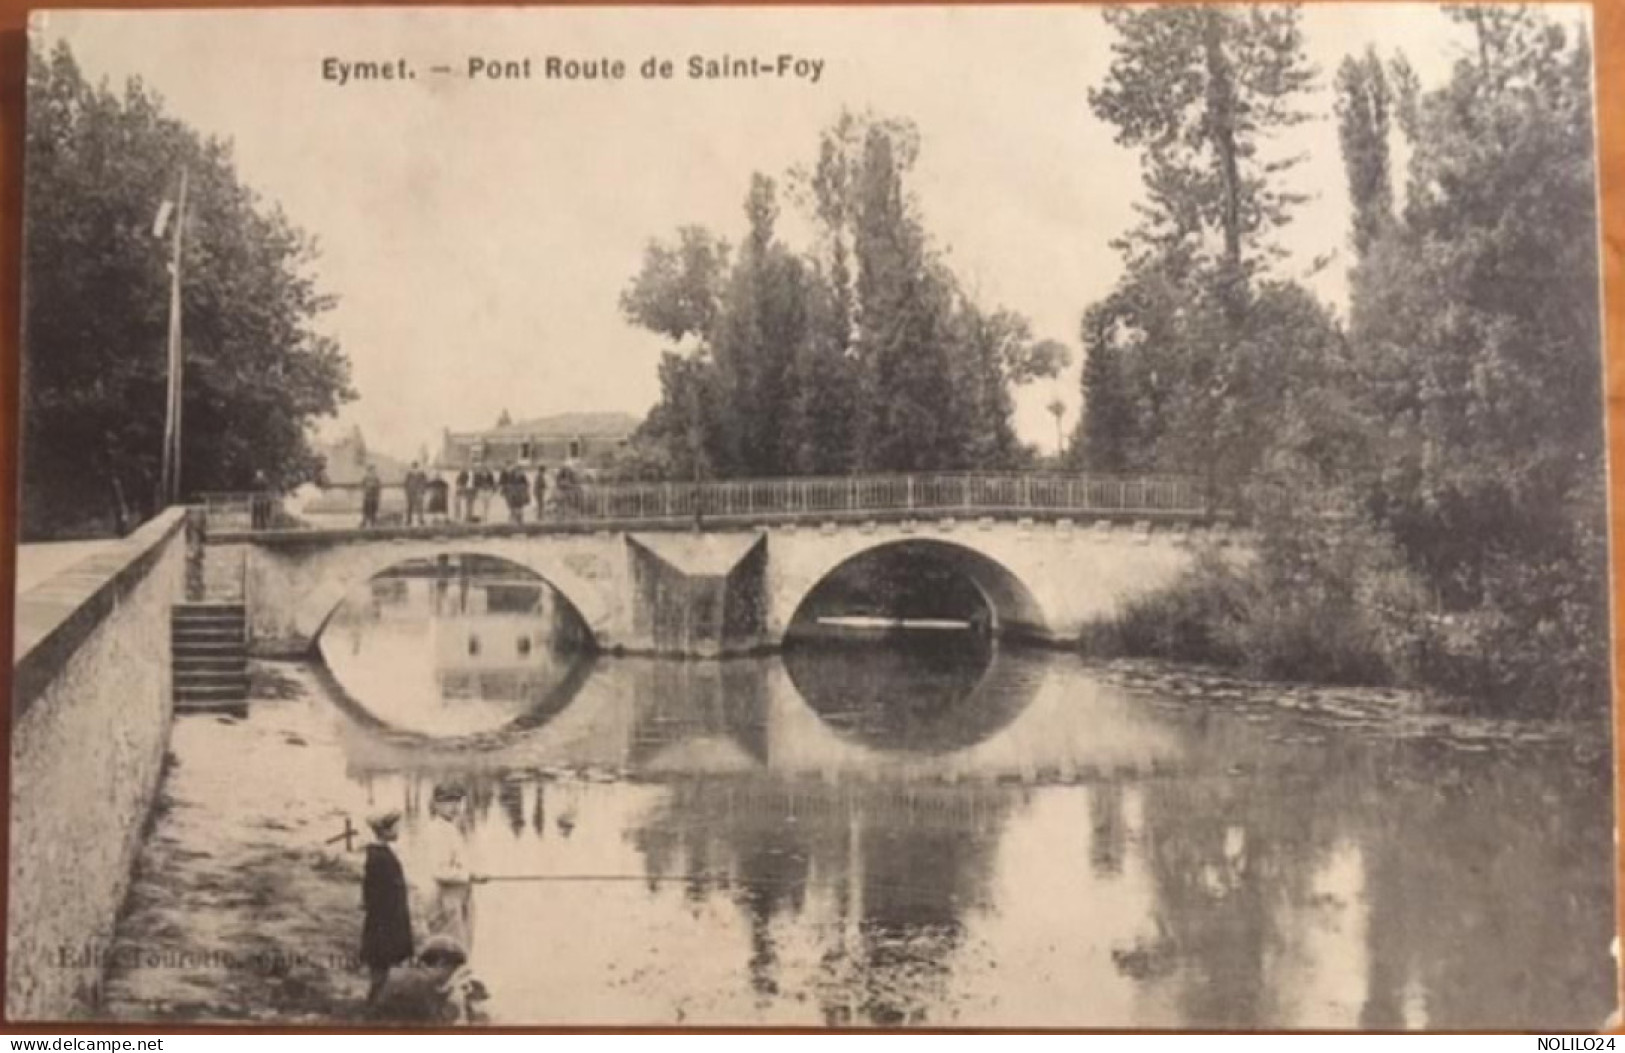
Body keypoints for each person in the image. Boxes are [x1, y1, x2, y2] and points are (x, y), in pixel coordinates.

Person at [367, 935, 489, 1024]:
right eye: (451, 970)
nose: (450, 976)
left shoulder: (401, 975)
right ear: (441, 963)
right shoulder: (424, 985)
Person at [360, 810, 413, 1005]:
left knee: (384, 961)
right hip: (385, 920)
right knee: (382, 961)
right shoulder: (379, 857)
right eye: (396, 826)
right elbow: (374, 892)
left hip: (387, 917)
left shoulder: (381, 853)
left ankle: (379, 998)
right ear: (385, 831)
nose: (400, 830)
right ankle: (375, 1002)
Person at [423, 783, 474, 952]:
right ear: (436, 805)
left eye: (457, 802)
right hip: (445, 898)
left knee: (462, 946)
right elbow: (440, 872)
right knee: (451, 950)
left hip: (458, 896)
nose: (454, 807)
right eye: (447, 802)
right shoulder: (436, 830)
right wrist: (469, 876)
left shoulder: (449, 828)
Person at [404, 462, 427, 528]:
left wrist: (422, 491)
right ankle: (409, 520)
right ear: (412, 467)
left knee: (419, 506)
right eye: (414, 467)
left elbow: (424, 482)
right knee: (409, 506)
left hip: (418, 492)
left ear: (418, 467)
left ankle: (421, 520)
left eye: (416, 467)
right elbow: (406, 484)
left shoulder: (421, 474)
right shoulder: (409, 474)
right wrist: (407, 492)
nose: (415, 468)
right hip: (411, 492)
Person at [360, 464, 382, 529]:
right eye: (372, 470)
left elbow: (379, 487)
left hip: (374, 496)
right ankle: (365, 522)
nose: (373, 472)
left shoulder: (376, 478)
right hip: (368, 496)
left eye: (374, 470)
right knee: (366, 510)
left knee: (374, 509)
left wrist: (378, 495)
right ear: (369, 471)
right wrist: (366, 490)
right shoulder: (366, 478)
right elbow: (362, 486)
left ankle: (373, 523)